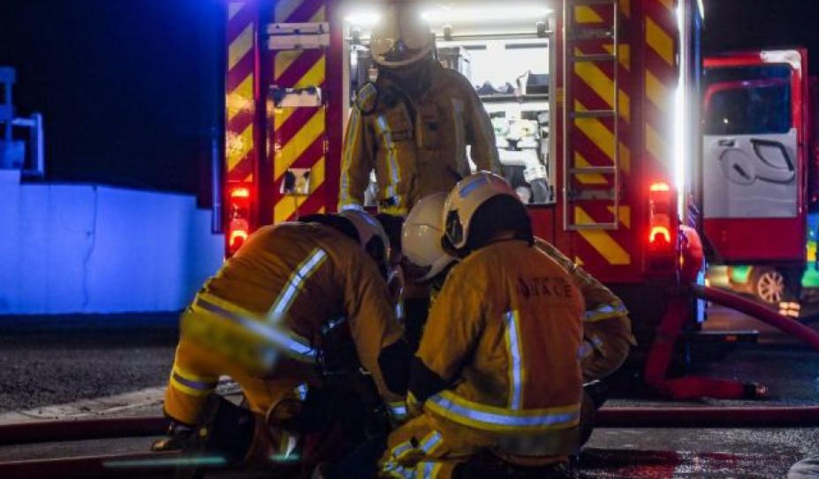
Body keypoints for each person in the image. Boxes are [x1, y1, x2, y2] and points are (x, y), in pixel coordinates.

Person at [154, 210, 411, 470]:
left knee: (190, 393)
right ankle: (224, 439)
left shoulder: (270, 233)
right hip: (261, 346)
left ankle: (182, 429)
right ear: (372, 246)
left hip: (200, 325)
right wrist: (401, 419)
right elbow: (382, 350)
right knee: (293, 429)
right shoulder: (355, 260)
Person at [379, 173, 585, 477]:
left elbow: (432, 369)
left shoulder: (474, 271)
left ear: (460, 222)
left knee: (396, 457)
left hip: (497, 427)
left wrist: (411, 405)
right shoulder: (556, 270)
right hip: (562, 432)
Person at [400, 191, 635, 382]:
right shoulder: (483, 260)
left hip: (598, 338)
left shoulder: (507, 263)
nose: (442, 284)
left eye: (444, 275)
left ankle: (558, 411)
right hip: (570, 336)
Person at [339, 2, 501, 217]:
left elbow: (486, 149)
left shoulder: (456, 89)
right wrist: (351, 218)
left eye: (411, 66)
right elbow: (352, 168)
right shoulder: (370, 101)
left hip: (453, 215)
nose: (404, 73)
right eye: (397, 69)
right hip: (396, 222)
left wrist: (493, 202)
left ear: (428, 53)